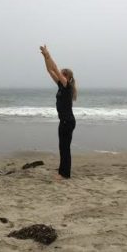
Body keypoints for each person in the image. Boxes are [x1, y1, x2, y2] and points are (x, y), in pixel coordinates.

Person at [40, 45, 77, 179]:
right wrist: (45, 57)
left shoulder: (67, 86)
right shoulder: (61, 85)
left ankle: (64, 174)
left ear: (67, 77)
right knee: (63, 147)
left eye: (62, 73)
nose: (59, 74)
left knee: (65, 148)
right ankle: (62, 171)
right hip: (65, 121)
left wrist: (48, 53)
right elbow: (50, 70)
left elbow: (55, 68)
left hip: (67, 121)